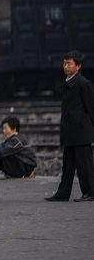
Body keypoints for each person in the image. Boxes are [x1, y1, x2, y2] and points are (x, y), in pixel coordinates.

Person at [46, 51, 94, 202]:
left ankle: (90, 192)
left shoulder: (84, 84)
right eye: (64, 63)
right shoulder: (68, 82)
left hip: (80, 132)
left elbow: (91, 109)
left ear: (78, 66)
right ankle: (63, 193)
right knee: (68, 165)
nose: (65, 66)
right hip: (69, 132)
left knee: (84, 166)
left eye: (69, 63)